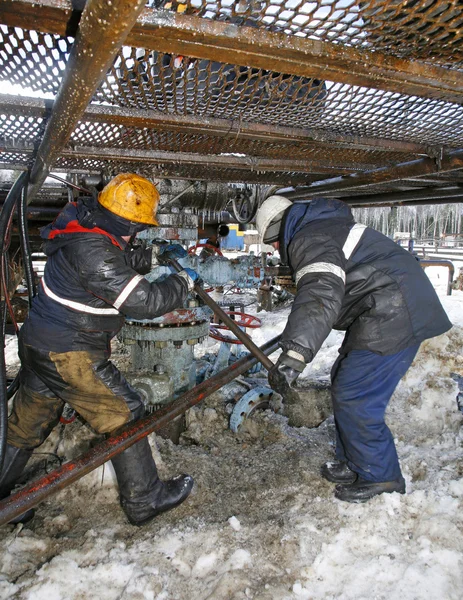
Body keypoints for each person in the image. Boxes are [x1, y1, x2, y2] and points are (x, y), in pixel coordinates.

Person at [0, 173, 200, 525]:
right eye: (137, 229)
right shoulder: (93, 252)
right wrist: (182, 282)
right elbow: (143, 300)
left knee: (26, 423)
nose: (134, 235)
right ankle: (144, 499)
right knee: (125, 412)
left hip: (41, 343)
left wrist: (153, 255)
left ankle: (2, 500)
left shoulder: (88, 228)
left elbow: (115, 255)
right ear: (128, 223)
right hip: (69, 352)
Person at [256, 195, 452, 502]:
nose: (276, 251)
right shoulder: (322, 227)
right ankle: (356, 462)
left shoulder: (311, 236)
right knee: (344, 378)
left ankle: (381, 477)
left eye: (273, 243)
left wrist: (294, 355)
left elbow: (321, 293)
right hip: (386, 306)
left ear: (277, 232)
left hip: (395, 311)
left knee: (356, 392)